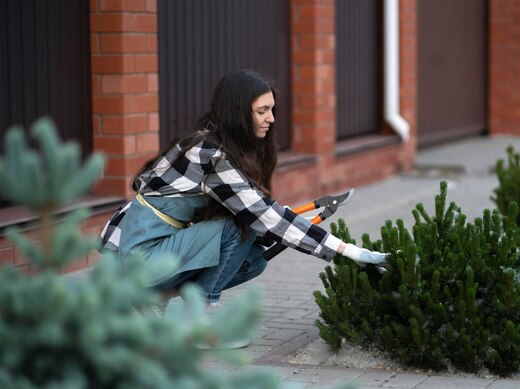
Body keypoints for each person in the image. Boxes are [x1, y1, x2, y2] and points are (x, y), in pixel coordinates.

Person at [99, 69, 388, 340]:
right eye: (262, 111)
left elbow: (262, 211)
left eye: (272, 109)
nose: (271, 118)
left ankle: (152, 301)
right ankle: (191, 318)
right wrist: (347, 250)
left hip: (147, 248)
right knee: (238, 229)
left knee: (254, 260)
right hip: (137, 257)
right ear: (238, 111)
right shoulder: (207, 153)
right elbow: (263, 214)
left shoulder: (215, 141)